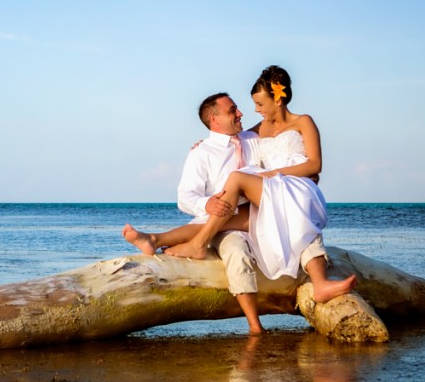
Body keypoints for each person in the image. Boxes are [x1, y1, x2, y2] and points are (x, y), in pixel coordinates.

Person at [124, 67, 355, 331]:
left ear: (277, 99)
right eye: (235, 109)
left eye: (258, 104)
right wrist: (206, 189)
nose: (248, 111)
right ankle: (156, 240)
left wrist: (278, 174)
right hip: (253, 202)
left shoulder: (279, 128)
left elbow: (313, 163)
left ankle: (191, 243)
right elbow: (192, 187)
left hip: (284, 190)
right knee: (227, 224)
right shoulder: (226, 143)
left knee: (238, 185)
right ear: (215, 119)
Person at [123, 90, 266, 333]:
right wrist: (207, 203)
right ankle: (255, 327)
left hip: (259, 217)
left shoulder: (253, 140)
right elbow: (185, 198)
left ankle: (156, 239)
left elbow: (274, 124)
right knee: (236, 252)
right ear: (214, 119)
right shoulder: (202, 152)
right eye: (232, 111)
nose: (240, 113)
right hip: (221, 222)